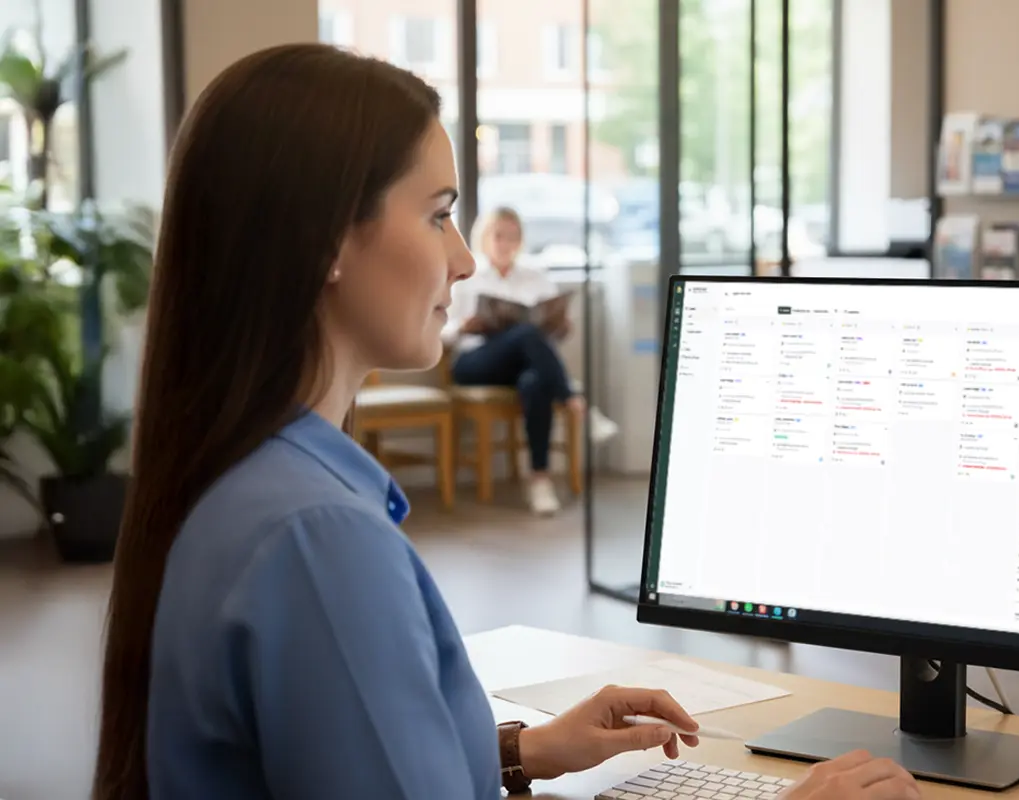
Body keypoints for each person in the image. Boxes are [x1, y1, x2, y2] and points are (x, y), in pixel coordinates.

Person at [90, 44, 920, 800]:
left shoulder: (243, 484)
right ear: (325, 243)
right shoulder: (318, 542)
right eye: (438, 213)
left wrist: (522, 751)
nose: (463, 257)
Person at [443, 206, 618, 515]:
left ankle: (540, 481)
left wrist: (561, 326)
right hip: (475, 362)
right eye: (498, 235)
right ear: (484, 238)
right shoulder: (467, 278)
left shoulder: (535, 278)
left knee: (535, 381)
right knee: (525, 333)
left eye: (512, 236)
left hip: (521, 366)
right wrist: (463, 326)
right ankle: (577, 402)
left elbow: (548, 334)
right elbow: (442, 335)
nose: (505, 243)